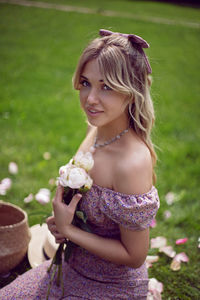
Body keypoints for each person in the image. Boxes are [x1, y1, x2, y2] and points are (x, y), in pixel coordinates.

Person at [0, 29, 160, 299]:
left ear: (131, 93)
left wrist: (69, 231)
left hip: (111, 285)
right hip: (68, 267)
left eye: (106, 87)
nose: (90, 99)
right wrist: (61, 223)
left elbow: (135, 256)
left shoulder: (131, 163)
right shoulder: (96, 131)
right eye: (86, 83)